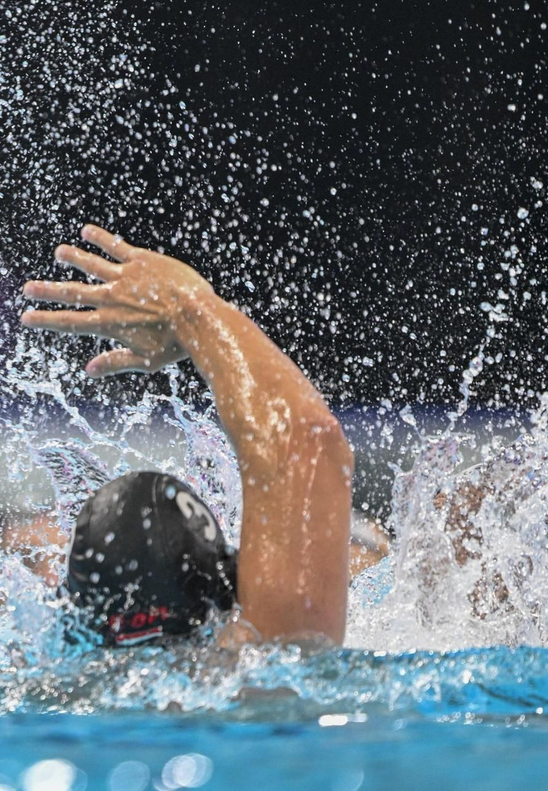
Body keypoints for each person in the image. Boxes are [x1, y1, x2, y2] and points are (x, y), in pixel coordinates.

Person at [19, 224, 355, 647]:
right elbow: (307, 442)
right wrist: (188, 307)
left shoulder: (46, 694)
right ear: (229, 585)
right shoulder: (264, 670)